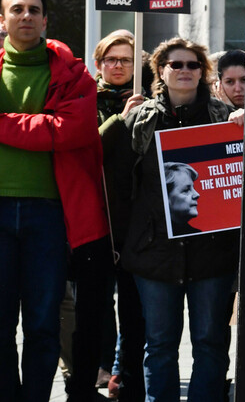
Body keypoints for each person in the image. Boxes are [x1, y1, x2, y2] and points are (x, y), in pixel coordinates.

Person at [100, 37, 238, 401]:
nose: (184, 71)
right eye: (176, 65)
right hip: (154, 255)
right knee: (159, 345)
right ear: (161, 71)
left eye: (193, 65)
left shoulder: (225, 120)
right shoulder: (140, 122)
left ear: (203, 73)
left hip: (212, 254)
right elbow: (112, 178)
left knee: (210, 342)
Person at [0, 0, 111, 402]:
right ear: (3, 19)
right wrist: (38, 128)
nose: (25, 16)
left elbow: (71, 130)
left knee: (44, 323)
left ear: (45, 19)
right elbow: (50, 130)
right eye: (17, 9)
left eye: (33, 10)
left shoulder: (73, 73)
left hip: (48, 214)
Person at [91, 30, 147, 401]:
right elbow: (85, 148)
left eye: (125, 60)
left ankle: (128, 384)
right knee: (93, 311)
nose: (117, 66)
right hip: (94, 220)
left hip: (137, 226)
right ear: (98, 63)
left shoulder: (151, 100)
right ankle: (94, 376)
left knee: (134, 315)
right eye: (110, 59)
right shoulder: (86, 98)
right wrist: (121, 120)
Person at [163, 162, 201, 236]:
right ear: (166, 197)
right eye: (186, 190)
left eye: (193, 188)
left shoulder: (196, 234)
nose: (197, 195)